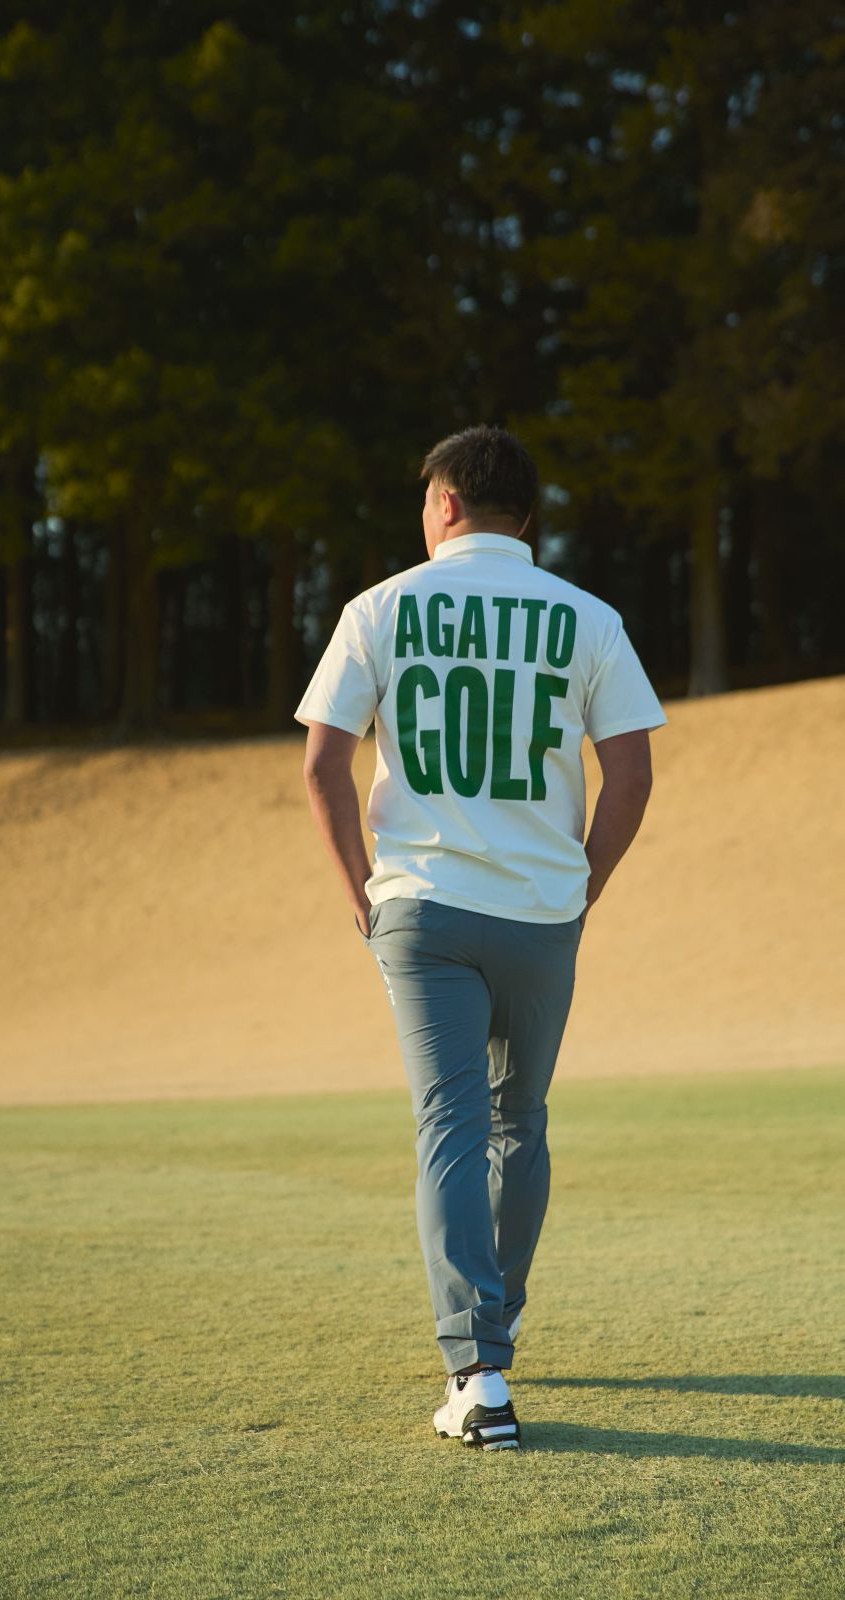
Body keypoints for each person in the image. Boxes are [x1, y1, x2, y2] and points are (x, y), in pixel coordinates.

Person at [293, 423, 667, 1452]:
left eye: (425, 500)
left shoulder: (378, 609)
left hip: (420, 908)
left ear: (445, 505)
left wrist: (356, 895)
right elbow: (630, 776)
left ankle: (477, 1374)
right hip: (543, 912)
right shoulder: (587, 618)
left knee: (449, 1124)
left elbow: (322, 764)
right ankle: (489, 1344)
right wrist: (580, 885)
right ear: (527, 517)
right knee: (519, 1122)